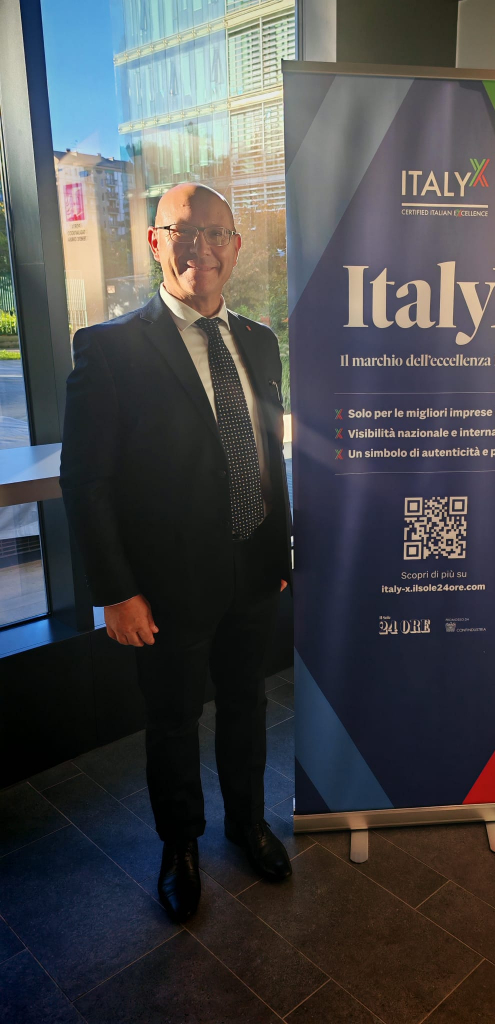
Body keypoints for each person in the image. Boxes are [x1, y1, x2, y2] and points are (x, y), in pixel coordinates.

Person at [60, 183, 293, 923]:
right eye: (184, 233)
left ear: (236, 246)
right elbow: (85, 482)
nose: (202, 249)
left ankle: (246, 823)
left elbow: (267, 454)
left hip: (252, 569)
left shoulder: (259, 341)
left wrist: (278, 553)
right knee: (172, 720)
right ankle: (180, 845)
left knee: (248, 704)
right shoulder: (110, 349)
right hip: (164, 588)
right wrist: (115, 590)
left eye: (216, 234)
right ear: (156, 241)